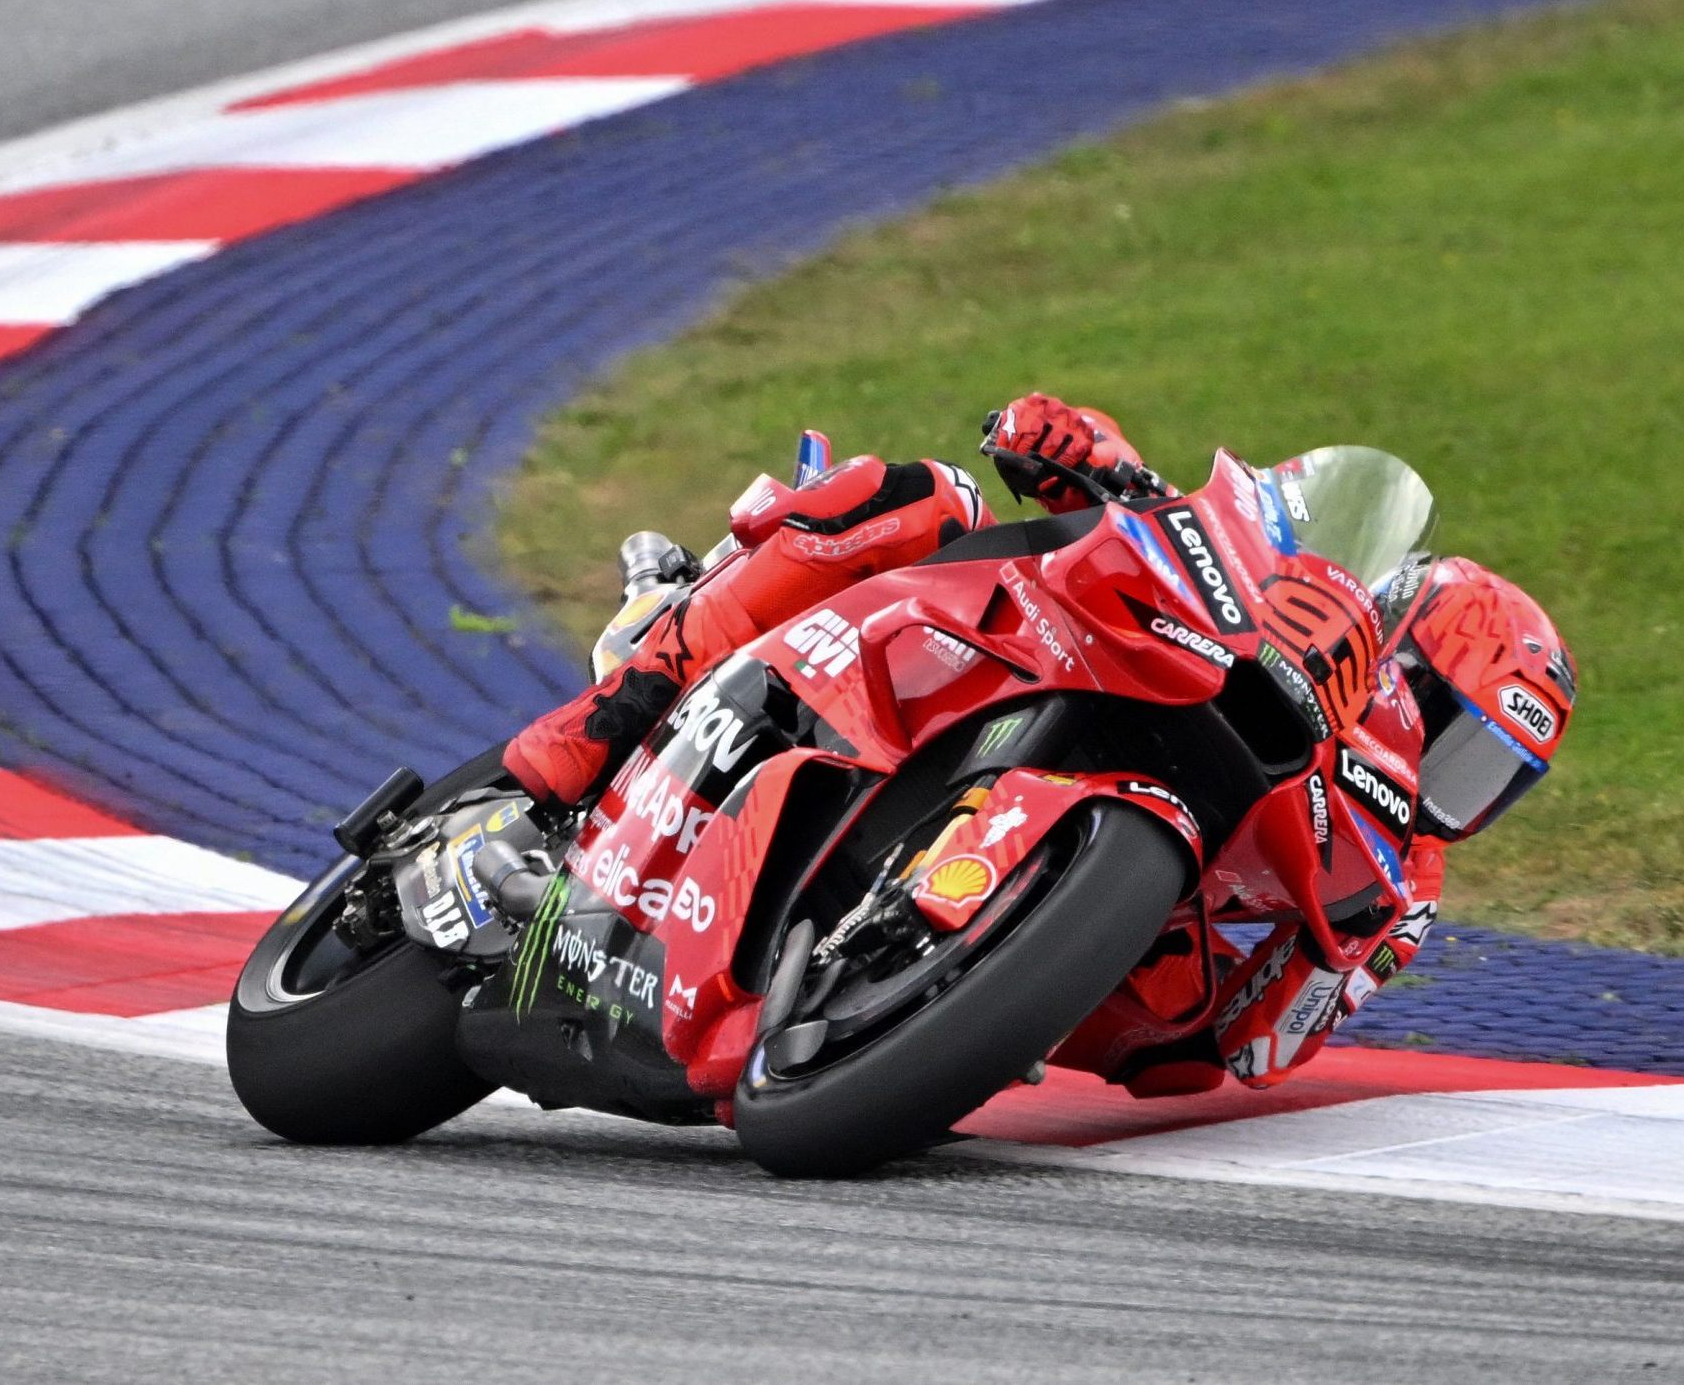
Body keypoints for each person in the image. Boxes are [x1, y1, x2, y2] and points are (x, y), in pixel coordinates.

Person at [502, 393, 1575, 1094]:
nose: (1445, 782)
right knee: (924, 499)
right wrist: (1079, 452)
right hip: (1001, 674)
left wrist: (1223, 953)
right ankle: (598, 729)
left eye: (1487, 778)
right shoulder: (1288, 626)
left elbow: (1254, 1048)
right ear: (1389, 647)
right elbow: (1161, 526)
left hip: (1086, 958)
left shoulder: (1400, 887)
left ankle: (907, 977)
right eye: (1449, 733)